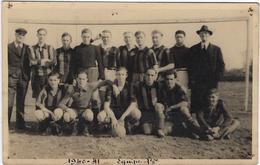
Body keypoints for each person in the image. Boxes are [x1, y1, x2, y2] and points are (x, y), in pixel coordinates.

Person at [58, 70, 113, 136]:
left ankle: (85, 127)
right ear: (77, 79)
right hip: (75, 109)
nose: (81, 81)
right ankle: (74, 127)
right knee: (66, 116)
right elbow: (61, 104)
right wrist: (68, 109)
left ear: (87, 79)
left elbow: (107, 81)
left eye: (83, 79)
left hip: (85, 110)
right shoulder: (72, 88)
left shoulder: (91, 86)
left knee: (89, 116)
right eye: (80, 79)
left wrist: (114, 86)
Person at [189, 25, 225, 114]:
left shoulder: (216, 49)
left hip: (211, 82)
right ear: (199, 35)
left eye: (205, 33)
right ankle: (196, 124)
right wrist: (192, 80)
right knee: (197, 102)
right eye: (201, 33)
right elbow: (190, 66)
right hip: (198, 82)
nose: (203, 35)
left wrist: (217, 77)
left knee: (211, 102)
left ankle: (211, 121)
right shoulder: (193, 49)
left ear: (209, 35)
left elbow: (221, 65)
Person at [97, 67, 141, 135]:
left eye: (122, 74)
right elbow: (106, 106)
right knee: (100, 116)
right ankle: (109, 125)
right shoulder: (111, 87)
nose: (120, 77)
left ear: (126, 75)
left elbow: (133, 104)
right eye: (118, 74)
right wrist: (113, 118)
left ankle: (128, 124)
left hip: (125, 111)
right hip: (114, 111)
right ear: (116, 75)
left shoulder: (130, 86)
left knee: (137, 113)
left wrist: (123, 117)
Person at [159, 70, 201, 139]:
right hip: (169, 116)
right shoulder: (162, 88)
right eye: (167, 79)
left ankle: (197, 130)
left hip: (179, 114)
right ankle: (185, 130)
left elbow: (185, 102)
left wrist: (172, 107)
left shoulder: (179, 88)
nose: (169, 81)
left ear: (175, 79)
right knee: (165, 131)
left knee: (184, 109)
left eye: (171, 79)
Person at [131, 68, 165, 138]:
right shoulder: (139, 86)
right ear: (144, 76)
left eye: (152, 75)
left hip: (156, 112)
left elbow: (172, 80)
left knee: (158, 105)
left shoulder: (159, 85)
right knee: (147, 131)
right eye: (148, 75)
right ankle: (147, 126)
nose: (150, 77)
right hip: (145, 112)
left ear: (155, 76)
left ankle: (159, 129)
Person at [8, 28, 31, 130]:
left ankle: (20, 124)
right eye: (18, 35)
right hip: (11, 78)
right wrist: (9, 73)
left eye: (22, 36)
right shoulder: (8, 47)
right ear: (15, 35)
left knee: (21, 101)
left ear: (24, 37)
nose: (20, 37)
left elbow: (31, 62)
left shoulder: (27, 48)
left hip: (23, 78)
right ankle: (6, 124)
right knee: (9, 101)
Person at [29, 28, 56, 99]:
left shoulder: (50, 48)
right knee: (38, 98)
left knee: (48, 98)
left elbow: (53, 61)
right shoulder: (32, 48)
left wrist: (38, 62)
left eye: (43, 35)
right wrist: (45, 60)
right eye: (40, 34)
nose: (41, 36)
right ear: (37, 35)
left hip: (48, 76)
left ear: (46, 36)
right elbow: (32, 61)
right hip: (36, 77)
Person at [98, 30, 119, 105]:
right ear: (101, 38)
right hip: (101, 72)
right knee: (102, 91)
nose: (105, 39)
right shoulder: (98, 48)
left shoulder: (115, 49)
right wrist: (95, 38)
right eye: (103, 37)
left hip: (112, 72)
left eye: (107, 37)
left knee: (111, 91)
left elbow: (118, 62)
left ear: (110, 38)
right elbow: (87, 44)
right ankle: (103, 111)